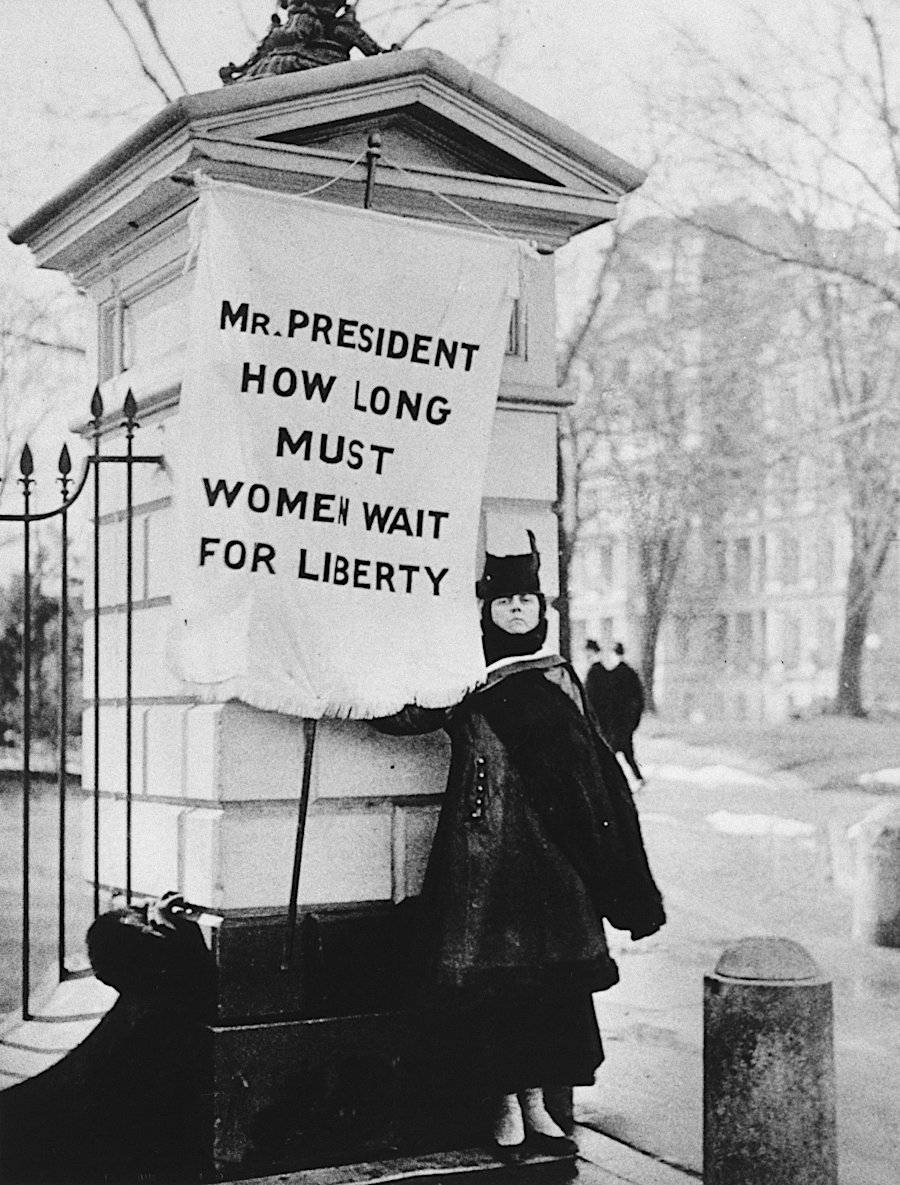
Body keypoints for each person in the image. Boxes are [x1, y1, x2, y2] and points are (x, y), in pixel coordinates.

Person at [374, 534, 665, 1160]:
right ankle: (503, 1102)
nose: (514, 611)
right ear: (486, 612)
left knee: (549, 991)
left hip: (554, 864)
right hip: (484, 862)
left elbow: (592, 772)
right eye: (503, 601)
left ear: (540, 611)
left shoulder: (558, 678)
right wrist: (341, 691)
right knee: (492, 989)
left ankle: (537, 1102)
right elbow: (406, 717)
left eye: (525, 601)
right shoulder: (466, 678)